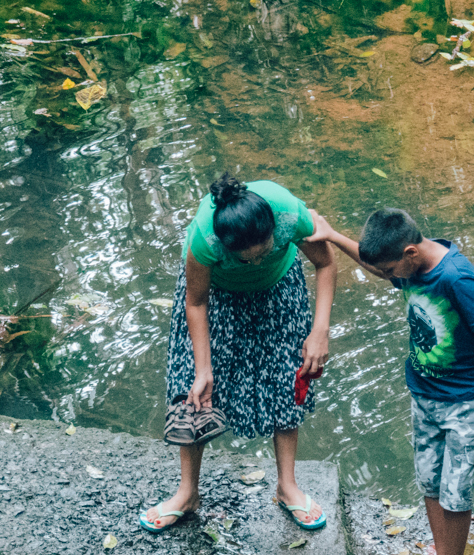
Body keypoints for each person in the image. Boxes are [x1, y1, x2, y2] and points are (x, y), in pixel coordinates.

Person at [308, 208, 474, 555]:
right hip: (425, 395)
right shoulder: (409, 262)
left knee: (456, 495)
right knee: (430, 485)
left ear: (410, 253)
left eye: (389, 269)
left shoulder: (455, 278)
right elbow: (378, 267)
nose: (385, 276)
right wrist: (331, 235)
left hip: (466, 401)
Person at [142, 174, 337, 533]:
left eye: (262, 253)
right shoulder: (204, 239)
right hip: (215, 300)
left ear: (273, 232)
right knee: (193, 389)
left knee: (286, 380)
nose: (255, 262)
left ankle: (286, 486)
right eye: (245, 259)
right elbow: (196, 302)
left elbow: (325, 264)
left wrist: (319, 330)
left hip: (279, 292)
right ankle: (187, 493)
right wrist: (204, 369)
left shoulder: (290, 215)